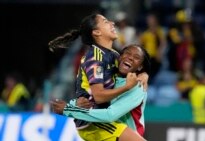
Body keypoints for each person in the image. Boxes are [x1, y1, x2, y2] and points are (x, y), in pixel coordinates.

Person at [48, 13, 148, 141]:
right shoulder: (95, 58)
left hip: (99, 116)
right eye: (106, 22)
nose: (112, 23)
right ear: (96, 32)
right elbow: (99, 97)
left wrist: (144, 74)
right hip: (92, 123)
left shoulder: (113, 54)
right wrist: (127, 87)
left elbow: (132, 66)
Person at [51, 44, 150, 137]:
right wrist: (74, 104)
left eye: (136, 57)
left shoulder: (138, 87)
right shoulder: (110, 79)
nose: (131, 58)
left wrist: (69, 109)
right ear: (120, 57)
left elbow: (110, 115)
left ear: (140, 67)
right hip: (108, 135)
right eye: (127, 53)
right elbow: (90, 99)